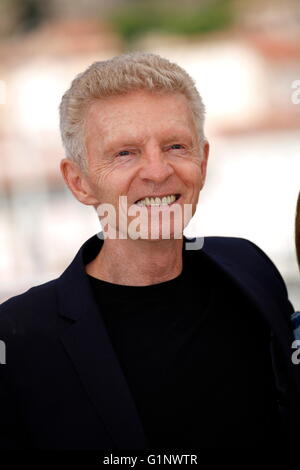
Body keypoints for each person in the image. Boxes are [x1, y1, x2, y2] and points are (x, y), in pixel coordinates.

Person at [0, 52, 299, 451]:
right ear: (79, 182)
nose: (158, 172)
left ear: (204, 161)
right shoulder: (19, 338)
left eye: (176, 146)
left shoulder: (250, 269)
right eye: (125, 153)